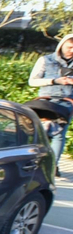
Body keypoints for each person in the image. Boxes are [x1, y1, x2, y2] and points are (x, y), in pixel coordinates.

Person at [28, 34, 73, 170]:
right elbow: (32, 81)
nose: (72, 50)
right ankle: (37, 162)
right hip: (45, 102)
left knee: (59, 135)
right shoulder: (45, 60)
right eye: (69, 47)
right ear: (61, 46)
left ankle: (52, 166)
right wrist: (54, 81)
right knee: (41, 133)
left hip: (67, 101)